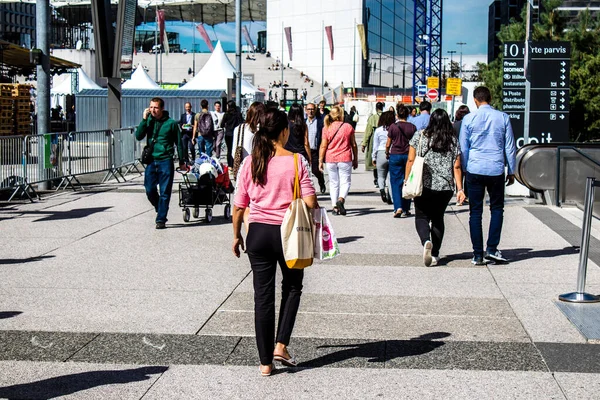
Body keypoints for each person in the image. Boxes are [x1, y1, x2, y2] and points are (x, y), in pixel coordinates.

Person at [232, 108, 318, 377]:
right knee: (292, 287)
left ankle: (265, 363)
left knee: (263, 297)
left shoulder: (250, 162)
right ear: (284, 131)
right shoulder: (296, 161)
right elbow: (311, 202)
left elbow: (238, 206)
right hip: (288, 234)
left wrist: (236, 235)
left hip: (257, 234)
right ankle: (280, 345)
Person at [459, 86, 516, 266]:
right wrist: (512, 170)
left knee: (475, 212)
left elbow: (464, 147)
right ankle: (492, 248)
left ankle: (477, 254)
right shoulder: (503, 117)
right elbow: (510, 146)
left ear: (475, 101)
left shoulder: (468, 119)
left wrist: (466, 169)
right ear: (490, 98)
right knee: (497, 209)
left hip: (474, 168)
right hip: (496, 168)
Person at [405, 109, 466, 267]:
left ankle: (426, 241)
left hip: (423, 184)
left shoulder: (420, 135)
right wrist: (460, 189)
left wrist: (407, 180)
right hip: (445, 187)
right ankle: (436, 253)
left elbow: (411, 160)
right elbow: (457, 166)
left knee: (421, 216)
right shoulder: (452, 139)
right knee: (438, 218)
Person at [135, 97, 185, 229]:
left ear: (162, 108)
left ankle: (161, 219)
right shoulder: (149, 121)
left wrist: (182, 161)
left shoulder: (171, 123)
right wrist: (144, 120)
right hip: (151, 160)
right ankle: (159, 207)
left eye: (155, 107)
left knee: (165, 192)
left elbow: (179, 143)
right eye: (151, 107)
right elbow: (138, 136)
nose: (153, 110)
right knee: (149, 189)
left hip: (165, 160)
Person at [319, 105, 358, 215]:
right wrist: (355, 158)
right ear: (341, 115)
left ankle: (334, 206)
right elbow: (353, 144)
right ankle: (341, 199)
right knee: (345, 182)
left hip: (330, 158)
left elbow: (323, 146)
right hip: (345, 158)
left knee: (333, 183)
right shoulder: (348, 127)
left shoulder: (326, 127)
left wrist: (320, 160)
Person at [387, 105, 417, 218]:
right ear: (408, 115)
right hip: (409, 155)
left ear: (397, 115)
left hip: (395, 155)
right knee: (408, 180)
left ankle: (398, 207)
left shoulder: (393, 127)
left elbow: (388, 143)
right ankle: (406, 208)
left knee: (395, 182)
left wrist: (386, 152)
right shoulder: (412, 127)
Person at [372, 111, 396, 204]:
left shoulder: (378, 130)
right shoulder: (394, 129)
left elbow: (375, 145)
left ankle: (382, 190)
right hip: (391, 152)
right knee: (390, 176)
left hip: (380, 152)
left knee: (381, 176)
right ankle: (390, 196)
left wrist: (373, 157)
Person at [362, 101, 384, 188]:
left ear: (376, 108)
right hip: (384, 140)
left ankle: (376, 179)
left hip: (374, 140)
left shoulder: (372, 118)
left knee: (374, 159)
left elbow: (368, 131)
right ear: (382, 107)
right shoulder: (386, 116)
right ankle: (381, 179)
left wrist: (364, 143)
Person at [305, 103, 326, 194]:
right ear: (306, 110)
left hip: (315, 150)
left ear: (315, 110)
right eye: (309, 109)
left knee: (315, 170)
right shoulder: (303, 122)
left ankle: (321, 182)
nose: (311, 111)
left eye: (312, 109)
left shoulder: (320, 122)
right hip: (305, 150)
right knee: (304, 171)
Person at [453, 105, 471, 206]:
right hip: (468, 152)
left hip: (457, 152)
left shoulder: (455, 125)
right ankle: (467, 196)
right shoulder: (470, 124)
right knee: (468, 175)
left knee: (458, 173)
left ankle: (459, 194)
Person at [220, 100, 244, 167]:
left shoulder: (226, 114)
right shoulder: (238, 114)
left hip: (228, 134)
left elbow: (221, 124)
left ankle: (230, 165)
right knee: (236, 149)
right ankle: (236, 163)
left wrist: (226, 125)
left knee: (229, 150)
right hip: (236, 134)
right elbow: (241, 122)